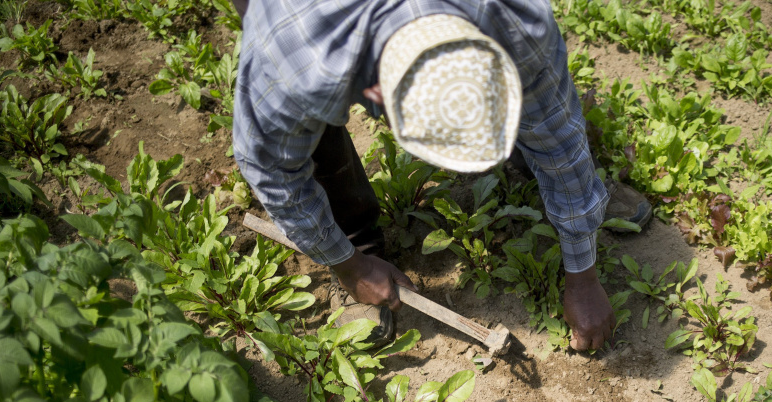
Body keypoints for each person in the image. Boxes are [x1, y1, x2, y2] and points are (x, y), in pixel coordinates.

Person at [232, 0, 652, 351]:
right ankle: (359, 240)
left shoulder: (512, 17)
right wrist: (350, 265)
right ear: (374, 95)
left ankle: (535, 171)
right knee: (313, 138)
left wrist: (583, 278)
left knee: (547, 127)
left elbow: (558, 139)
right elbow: (275, 173)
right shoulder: (292, 66)